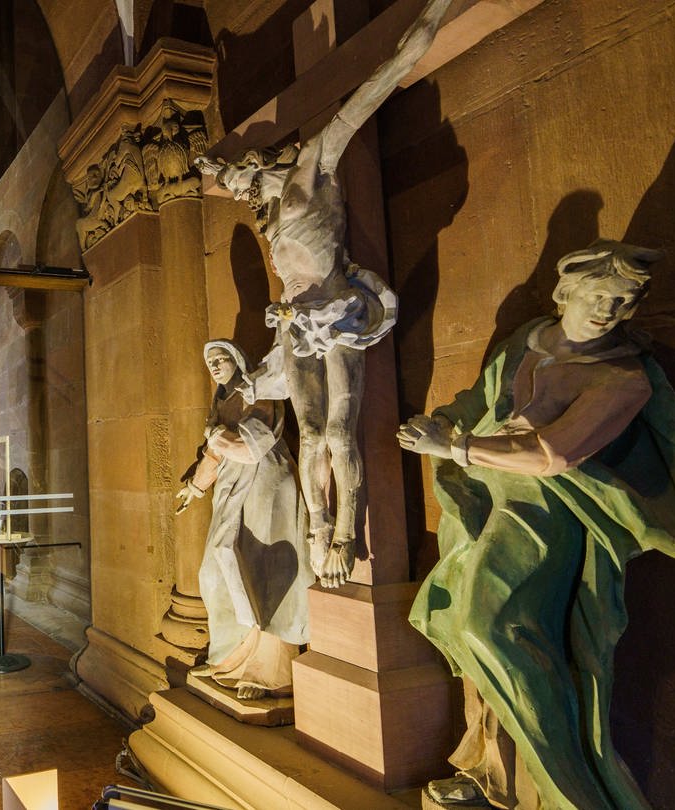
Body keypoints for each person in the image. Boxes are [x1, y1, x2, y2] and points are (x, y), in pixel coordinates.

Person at [396, 241, 675, 809]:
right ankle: (494, 772)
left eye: (624, 301)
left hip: (546, 515)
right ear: (564, 294)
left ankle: (573, 796)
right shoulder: (528, 338)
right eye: (599, 295)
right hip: (486, 504)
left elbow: (552, 455)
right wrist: (444, 421)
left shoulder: (624, 379)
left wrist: (455, 447)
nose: (609, 310)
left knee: (489, 629)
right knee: (464, 631)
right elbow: (481, 397)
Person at [196, 0, 453, 588]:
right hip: (295, 323)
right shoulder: (269, 212)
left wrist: (426, 25)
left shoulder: (313, 164)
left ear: (265, 164)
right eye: (236, 185)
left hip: (338, 313)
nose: (241, 190)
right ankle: (319, 529)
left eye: (243, 179)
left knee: (339, 432)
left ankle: (344, 533)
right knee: (310, 434)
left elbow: (372, 90)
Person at [175, 341, 313, 700]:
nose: (216, 365)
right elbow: (216, 453)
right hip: (234, 487)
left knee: (265, 570)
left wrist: (219, 439)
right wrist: (196, 487)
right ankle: (229, 657)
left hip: (266, 484)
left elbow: (253, 448)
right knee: (214, 571)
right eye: (210, 362)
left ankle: (272, 670)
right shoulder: (221, 402)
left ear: (238, 360)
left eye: (222, 358)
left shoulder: (259, 392)